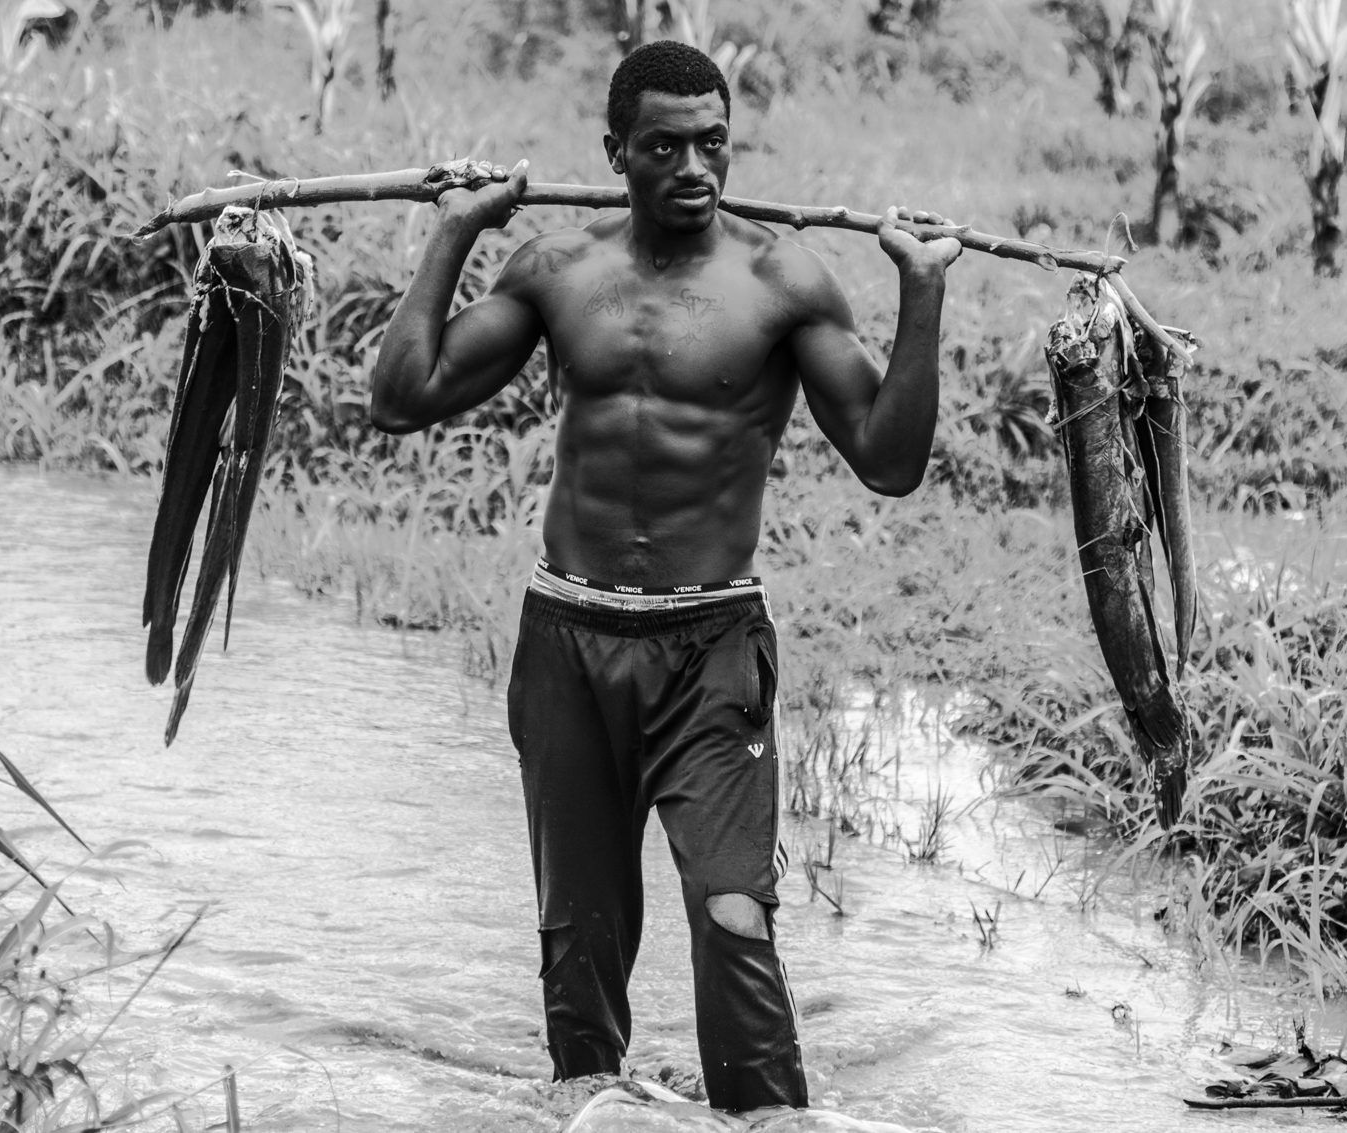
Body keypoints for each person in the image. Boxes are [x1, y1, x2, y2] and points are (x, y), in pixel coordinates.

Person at [369, 39, 961, 1113]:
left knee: (733, 909)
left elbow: (889, 458)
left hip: (709, 643)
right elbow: (402, 394)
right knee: (576, 934)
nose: (693, 167)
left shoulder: (782, 279)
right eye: (663, 147)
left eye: (711, 144)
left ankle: (767, 1113)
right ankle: (586, 1102)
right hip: (567, 637)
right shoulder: (557, 270)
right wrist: (453, 232)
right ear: (615, 153)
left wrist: (919, 294)